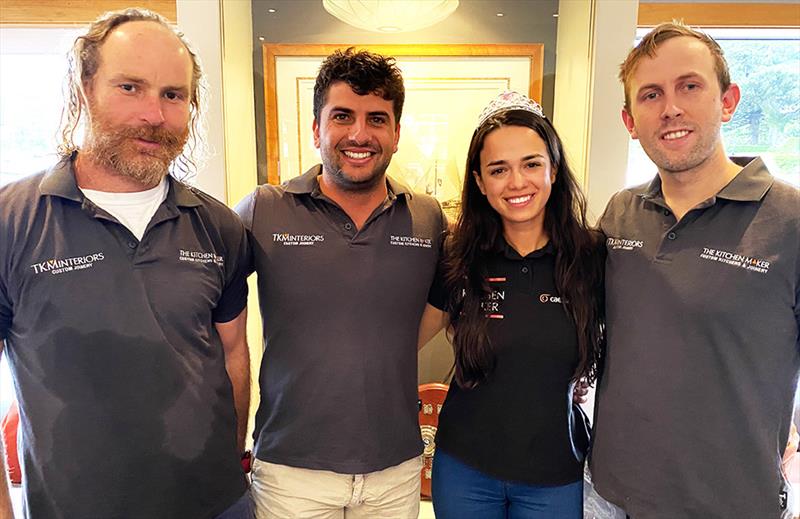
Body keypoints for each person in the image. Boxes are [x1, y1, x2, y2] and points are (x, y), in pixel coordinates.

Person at [0, 8, 253, 519]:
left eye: (172, 95)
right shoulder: (12, 221)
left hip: (215, 505)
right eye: (130, 87)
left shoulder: (218, 225)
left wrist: (231, 462)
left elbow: (233, 356)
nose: (154, 116)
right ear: (84, 89)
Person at [589, 22, 800, 518]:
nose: (671, 109)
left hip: (730, 503)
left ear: (728, 100)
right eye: (651, 94)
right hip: (609, 494)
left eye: (690, 86)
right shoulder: (620, 213)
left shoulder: (789, 221)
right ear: (629, 119)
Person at [235, 48, 448, 518]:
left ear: (396, 133)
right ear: (316, 129)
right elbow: (205, 304)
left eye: (377, 119)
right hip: (291, 469)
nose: (359, 134)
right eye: (342, 116)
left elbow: (440, 305)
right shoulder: (264, 209)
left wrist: (380, 347)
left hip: (394, 468)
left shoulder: (427, 216)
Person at [416, 91, 605, 518]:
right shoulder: (457, 256)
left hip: (556, 473)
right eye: (498, 169)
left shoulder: (592, 256)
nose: (517, 182)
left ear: (554, 169)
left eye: (531, 164)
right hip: (464, 469)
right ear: (480, 182)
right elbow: (400, 343)